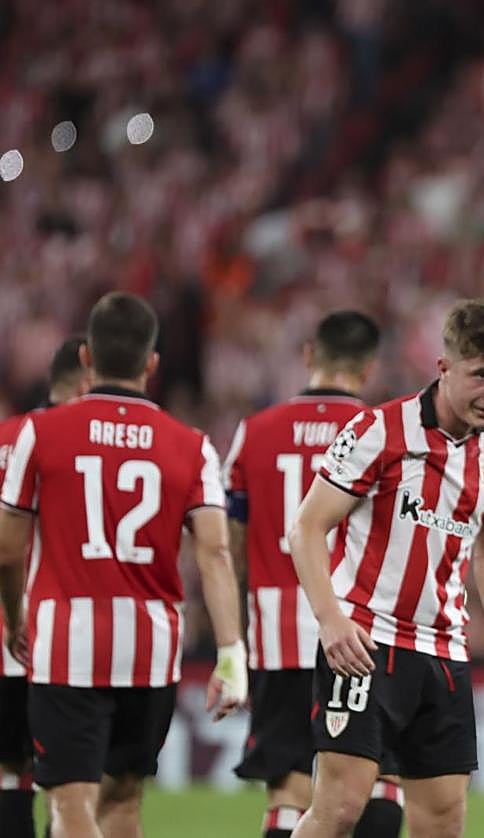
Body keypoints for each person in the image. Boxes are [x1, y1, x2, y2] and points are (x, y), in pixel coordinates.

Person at [0, 292, 247, 838]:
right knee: (123, 806)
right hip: (152, 648)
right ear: (152, 363)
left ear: (86, 357)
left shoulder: (41, 435)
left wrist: (16, 623)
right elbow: (214, 552)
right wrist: (231, 652)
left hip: (67, 643)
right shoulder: (191, 446)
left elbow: (8, 550)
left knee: (69, 808)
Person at [288, 299, 484, 838]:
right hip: (366, 645)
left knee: (444, 819)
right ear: (444, 369)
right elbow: (304, 528)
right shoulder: (378, 430)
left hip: (444, 652)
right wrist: (331, 621)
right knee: (340, 809)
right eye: (482, 375)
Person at [224, 311, 404, 838]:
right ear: (368, 366)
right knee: (376, 775)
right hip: (360, 630)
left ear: (309, 355)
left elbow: (233, 540)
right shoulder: (383, 432)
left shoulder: (254, 432)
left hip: (278, 633)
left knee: (289, 787)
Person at [0, 336, 91, 838]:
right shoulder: (85, 448)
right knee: (74, 786)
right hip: (62, 639)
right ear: (85, 379)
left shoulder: (5, 436)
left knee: (10, 772)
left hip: (6, 635)